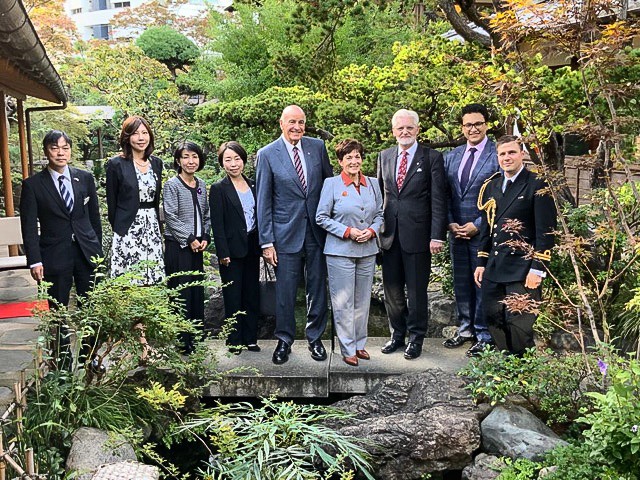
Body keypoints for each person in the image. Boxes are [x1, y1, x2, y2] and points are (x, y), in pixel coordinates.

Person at [256, 105, 333, 365]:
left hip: (316, 232)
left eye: (301, 122)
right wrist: (267, 242)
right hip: (284, 234)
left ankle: (315, 338)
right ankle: (285, 339)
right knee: (285, 292)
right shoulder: (267, 154)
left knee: (317, 288)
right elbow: (263, 201)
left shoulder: (317, 148)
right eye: (291, 122)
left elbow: (329, 187)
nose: (297, 127)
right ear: (281, 123)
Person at [20, 130, 103, 365]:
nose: (60, 152)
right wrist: (35, 260)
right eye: (55, 147)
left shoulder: (84, 178)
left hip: (87, 253)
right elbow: (28, 227)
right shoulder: (33, 185)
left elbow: (94, 218)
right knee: (58, 309)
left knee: (91, 306)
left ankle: (90, 357)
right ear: (46, 150)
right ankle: (62, 361)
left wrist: (97, 250)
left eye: (65, 148)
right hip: (54, 254)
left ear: (70, 150)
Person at [474, 135, 557, 356]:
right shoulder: (491, 186)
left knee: (520, 326)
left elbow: (546, 232)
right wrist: (481, 261)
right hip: (494, 266)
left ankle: (522, 374)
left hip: (522, 269)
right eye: (502, 154)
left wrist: (538, 268)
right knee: (494, 320)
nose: (507, 157)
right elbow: (487, 227)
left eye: (511, 152)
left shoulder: (537, 184)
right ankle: (505, 366)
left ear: (522, 154)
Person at [377, 109, 447, 360]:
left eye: (409, 128)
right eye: (400, 128)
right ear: (393, 131)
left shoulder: (431, 157)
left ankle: (416, 338)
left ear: (418, 129)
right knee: (391, 291)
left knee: (417, 291)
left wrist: (437, 235)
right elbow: (381, 196)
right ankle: (397, 334)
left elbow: (439, 199)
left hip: (418, 234)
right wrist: (376, 231)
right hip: (389, 235)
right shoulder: (384, 156)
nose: (404, 132)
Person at [316, 139, 383, 366]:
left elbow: (380, 214)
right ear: (340, 161)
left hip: (368, 249)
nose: (354, 161)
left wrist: (372, 231)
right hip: (340, 251)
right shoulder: (331, 184)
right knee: (343, 302)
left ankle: (360, 344)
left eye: (357, 156)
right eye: (348, 157)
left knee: (362, 300)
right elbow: (321, 217)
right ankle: (347, 347)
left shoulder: (373, 183)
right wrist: (348, 231)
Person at [443, 104, 500, 357]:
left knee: (481, 283)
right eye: (468, 125)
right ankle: (465, 328)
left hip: (483, 231)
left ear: (486, 124)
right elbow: (443, 194)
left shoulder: (496, 153)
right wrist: (450, 222)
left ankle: (483, 333)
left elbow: (500, 196)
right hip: (456, 230)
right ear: (462, 128)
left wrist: (477, 225)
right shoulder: (452, 156)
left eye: (478, 123)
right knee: (461, 282)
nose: (473, 128)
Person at [210, 141, 261, 354]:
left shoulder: (254, 185)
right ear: (222, 163)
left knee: (251, 293)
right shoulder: (219, 189)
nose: (233, 164)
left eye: (237, 159)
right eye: (228, 160)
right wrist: (222, 252)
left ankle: (250, 338)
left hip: (252, 246)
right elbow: (217, 224)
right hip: (231, 250)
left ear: (244, 160)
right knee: (232, 296)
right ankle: (234, 340)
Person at [163, 141, 211, 354]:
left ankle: (196, 336)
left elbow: (207, 214)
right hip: (179, 246)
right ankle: (182, 340)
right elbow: (170, 217)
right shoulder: (172, 185)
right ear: (178, 160)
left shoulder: (200, 184)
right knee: (180, 293)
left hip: (198, 246)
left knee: (196, 292)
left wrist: (205, 237)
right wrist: (189, 238)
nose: (191, 161)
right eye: (186, 156)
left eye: (194, 156)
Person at [106, 116, 164, 285]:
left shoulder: (156, 163)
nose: (141, 138)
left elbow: (155, 197)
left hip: (151, 225)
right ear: (127, 137)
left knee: (152, 278)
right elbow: (112, 202)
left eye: (145, 133)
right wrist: (119, 228)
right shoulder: (116, 164)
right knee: (128, 281)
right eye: (135, 133)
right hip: (127, 227)